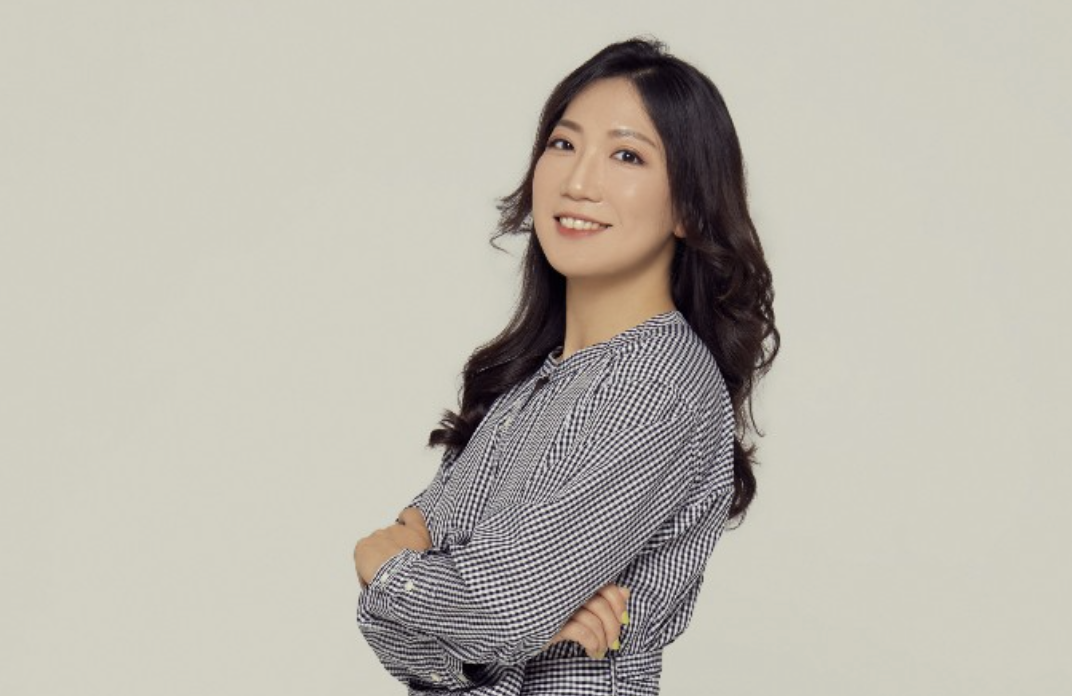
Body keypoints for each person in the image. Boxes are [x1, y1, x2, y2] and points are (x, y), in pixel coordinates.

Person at [353, 36, 779, 695]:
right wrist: (485, 612)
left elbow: (495, 608)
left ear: (691, 210)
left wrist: (385, 569)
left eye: (627, 155)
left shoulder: (655, 388)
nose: (579, 182)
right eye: (563, 144)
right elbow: (432, 628)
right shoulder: (530, 382)